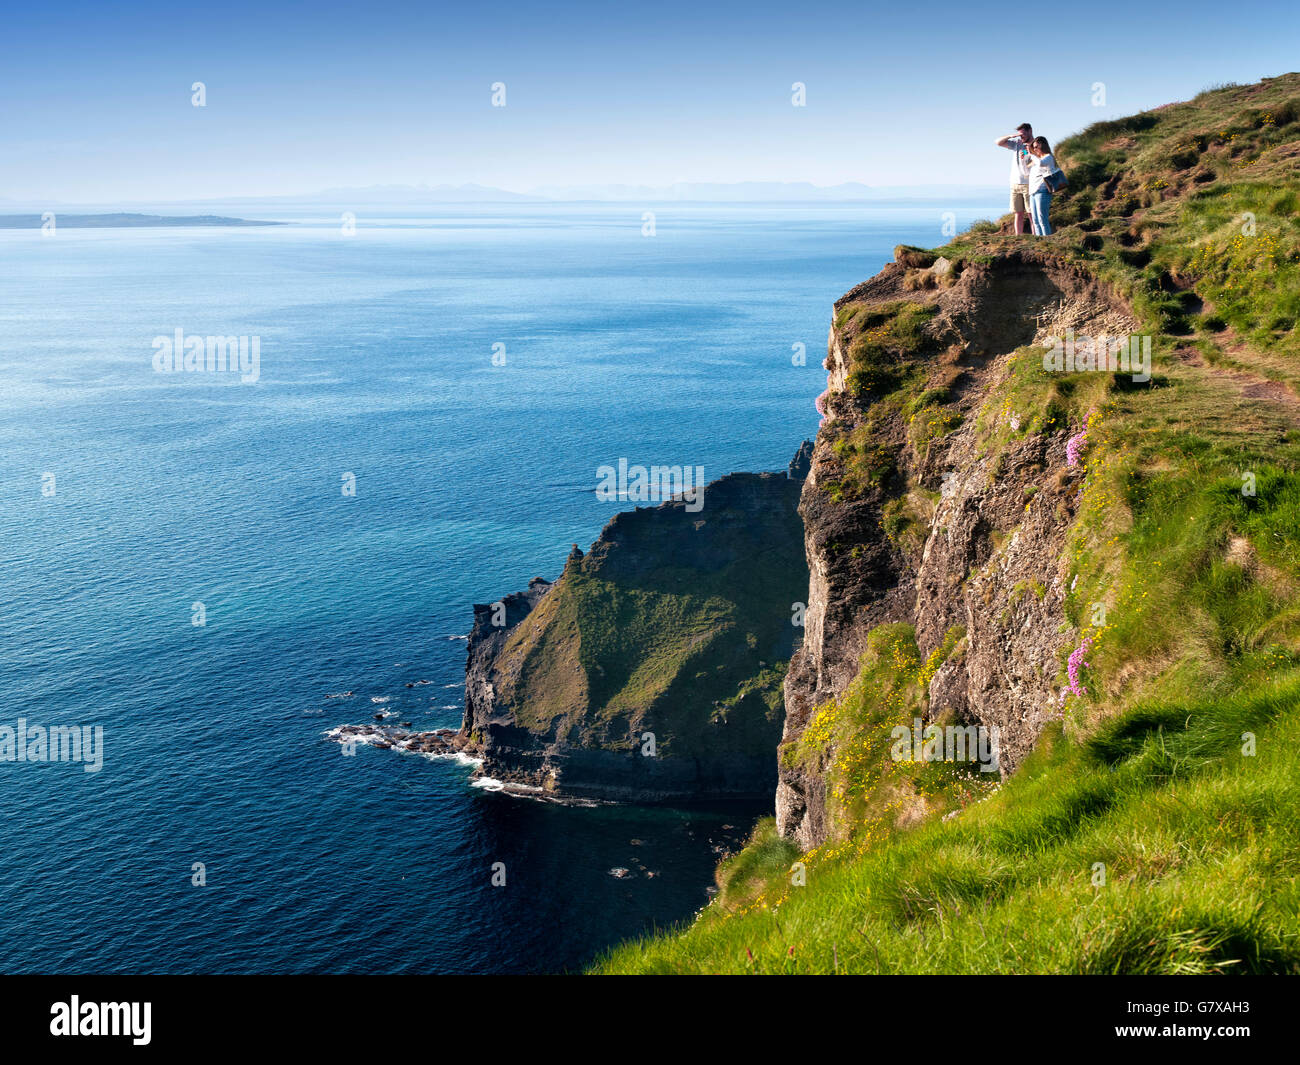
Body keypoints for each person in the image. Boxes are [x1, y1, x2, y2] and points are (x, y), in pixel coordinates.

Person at [995, 123, 1034, 235]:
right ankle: (1018, 237)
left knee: (1031, 214)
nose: (1021, 136)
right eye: (1019, 134)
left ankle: (1036, 237)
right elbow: (998, 142)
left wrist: (1026, 153)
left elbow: (1036, 161)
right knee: (1018, 213)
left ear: (1030, 131)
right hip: (1015, 183)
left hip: (1028, 183)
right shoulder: (1017, 144)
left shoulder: (1036, 144)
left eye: (1023, 134)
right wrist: (1011, 136)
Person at [1026, 136, 1058, 236]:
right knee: (1035, 220)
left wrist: (1031, 155)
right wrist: (1025, 157)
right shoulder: (1036, 159)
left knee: (1042, 219)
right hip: (1033, 191)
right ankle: (1039, 241)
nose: (1035, 149)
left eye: (1037, 147)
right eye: (1033, 147)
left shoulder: (1048, 157)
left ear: (1043, 146)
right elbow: (1026, 170)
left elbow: (1041, 163)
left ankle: (1047, 240)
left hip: (1042, 189)